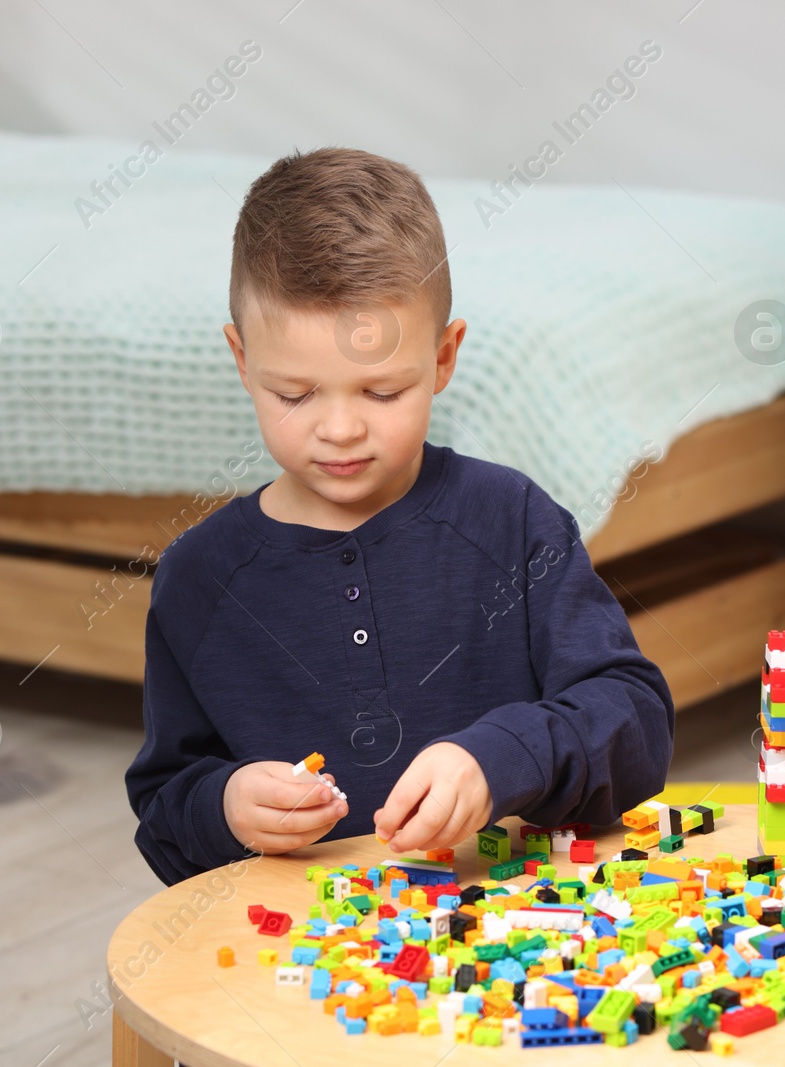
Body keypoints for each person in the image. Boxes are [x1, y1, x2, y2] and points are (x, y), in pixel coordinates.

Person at [125, 147, 675, 885]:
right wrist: (223, 806)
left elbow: (637, 723)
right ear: (241, 359)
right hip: (299, 957)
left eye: (381, 392)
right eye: (295, 393)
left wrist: (497, 760)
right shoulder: (200, 577)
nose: (341, 428)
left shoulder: (512, 522)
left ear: (444, 359)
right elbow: (165, 806)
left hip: (513, 938)